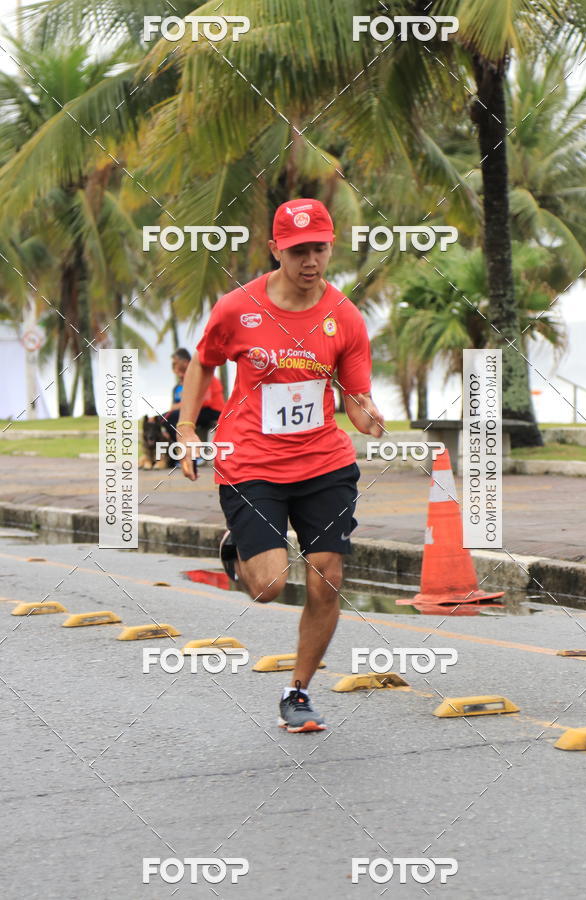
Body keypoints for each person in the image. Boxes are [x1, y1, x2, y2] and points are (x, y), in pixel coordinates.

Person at [177, 198, 384, 733]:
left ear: (330, 246)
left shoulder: (345, 316)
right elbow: (203, 364)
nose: (309, 260)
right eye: (297, 251)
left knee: (326, 579)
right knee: (269, 585)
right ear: (276, 250)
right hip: (251, 462)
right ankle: (238, 550)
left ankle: (297, 691)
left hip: (324, 462)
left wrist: (367, 417)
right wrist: (185, 429)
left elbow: (355, 396)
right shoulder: (236, 309)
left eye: (318, 248)